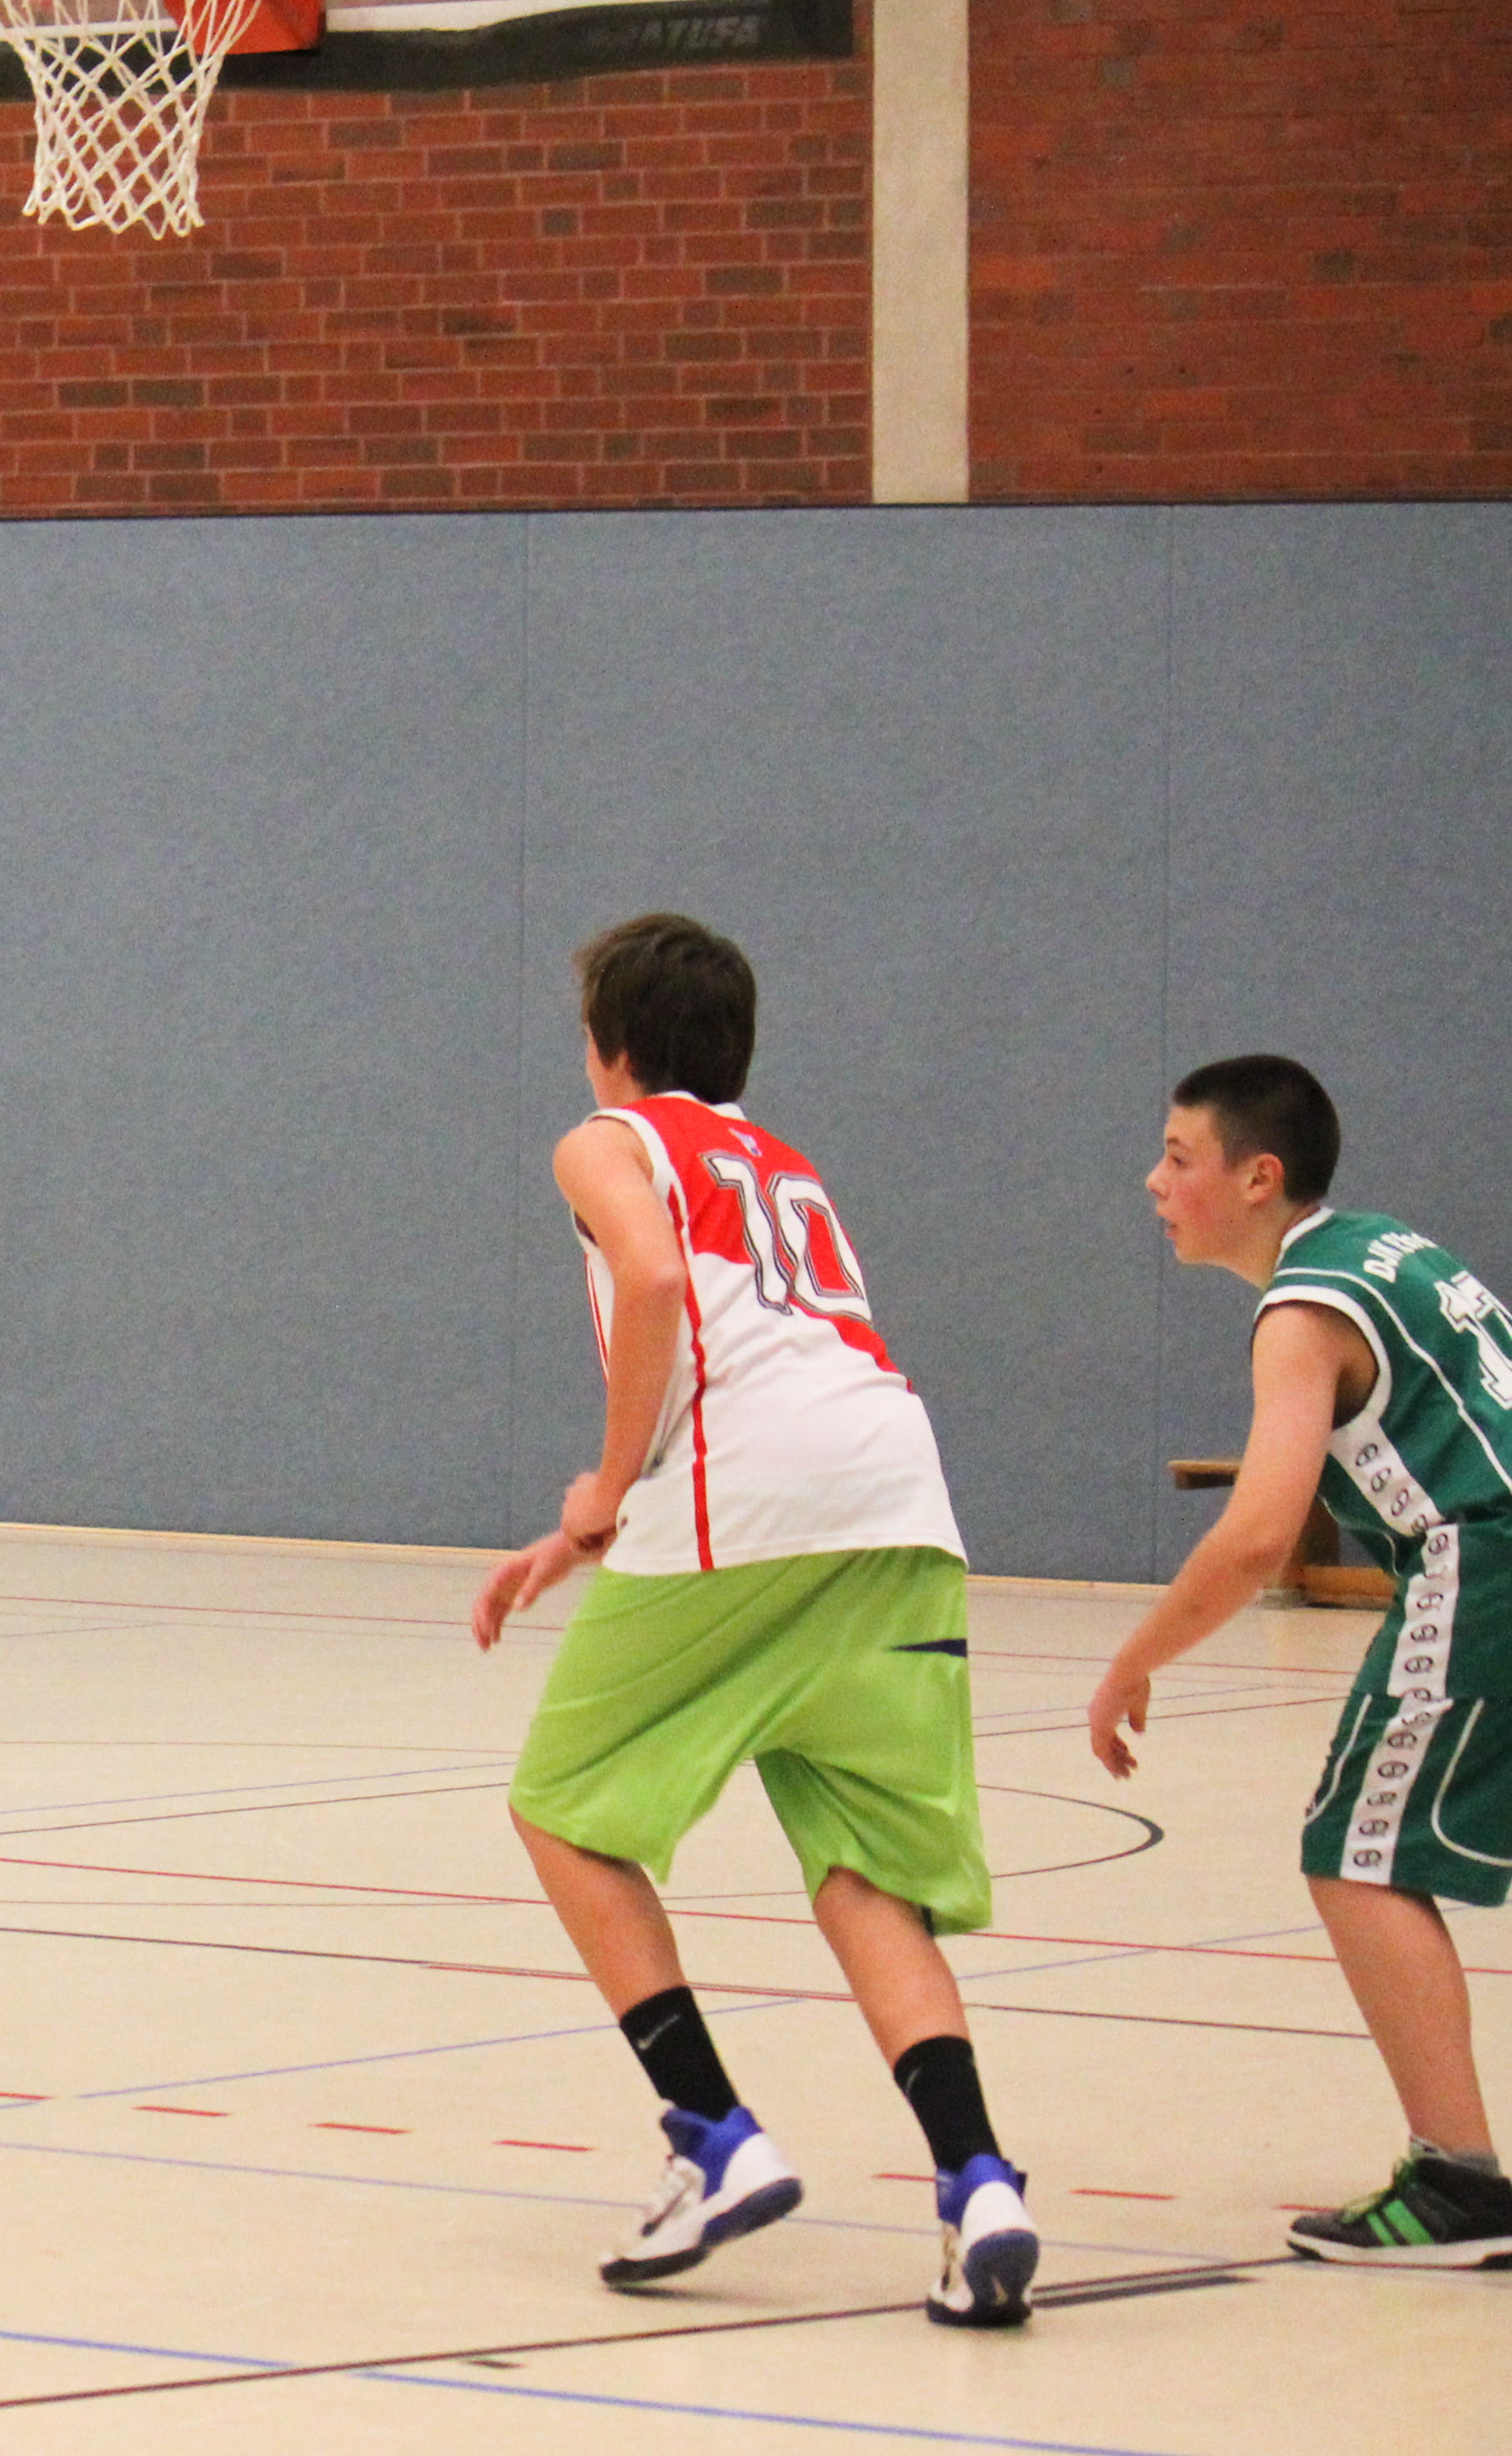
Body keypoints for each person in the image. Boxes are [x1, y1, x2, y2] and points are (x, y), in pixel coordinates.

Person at [470, 914, 1041, 2328]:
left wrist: (609, 1483)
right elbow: (761, 1350)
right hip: (897, 1501)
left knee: (562, 1811)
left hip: (748, 1501)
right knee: (866, 1871)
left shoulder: (606, 1140)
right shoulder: (780, 1162)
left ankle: (712, 2134)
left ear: (609, 1044)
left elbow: (658, 1284)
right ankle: (978, 2182)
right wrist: (587, 1530)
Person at [1089, 1055, 1512, 2266]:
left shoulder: (1303, 1311)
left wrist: (1131, 1661)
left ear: (1257, 1177)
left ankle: (1458, 2181)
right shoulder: (1384, 1248)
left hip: (1481, 1556)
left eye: (1178, 1157)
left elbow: (1258, 1533)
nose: (1154, 1180)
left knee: (1357, 1853)